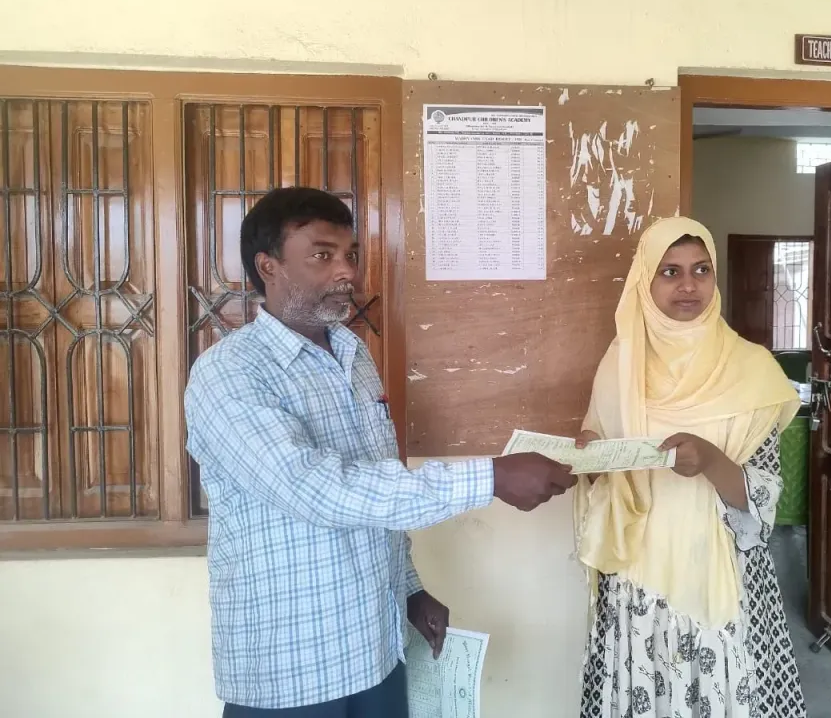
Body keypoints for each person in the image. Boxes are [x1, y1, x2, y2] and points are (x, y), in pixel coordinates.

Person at [184, 187, 575, 718]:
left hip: (377, 647)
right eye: (322, 255)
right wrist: (490, 478)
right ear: (267, 266)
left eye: (350, 254)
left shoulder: (353, 355)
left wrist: (409, 589)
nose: (346, 271)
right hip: (293, 666)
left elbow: (377, 482)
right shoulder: (229, 373)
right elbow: (318, 490)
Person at [574, 216, 806, 718]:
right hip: (637, 580)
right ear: (645, 280)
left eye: (701, 269)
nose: (688, 285)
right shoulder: (620, 365)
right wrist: (590, 457)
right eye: (670, 271)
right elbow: (600, 471)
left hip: (720, 578)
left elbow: (764, 498)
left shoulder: (752, 368)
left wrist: (711, 460)